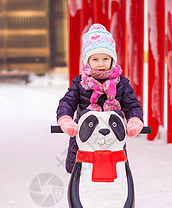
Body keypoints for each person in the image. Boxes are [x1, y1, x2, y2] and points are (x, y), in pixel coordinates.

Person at [56, 24, 144, 174]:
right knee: (79, 168)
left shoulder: (121, 83)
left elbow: (131, 104)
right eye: (95, 59)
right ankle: (77, 186)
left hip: (112, 134)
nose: (101, 64)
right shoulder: (80, 83)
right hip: (85, 133)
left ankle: (119, 190)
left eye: (105, 58)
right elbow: (68, 102)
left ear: (112, 60)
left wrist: (134, 119)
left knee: (118, 167)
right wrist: (66, 119)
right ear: (87, 61)